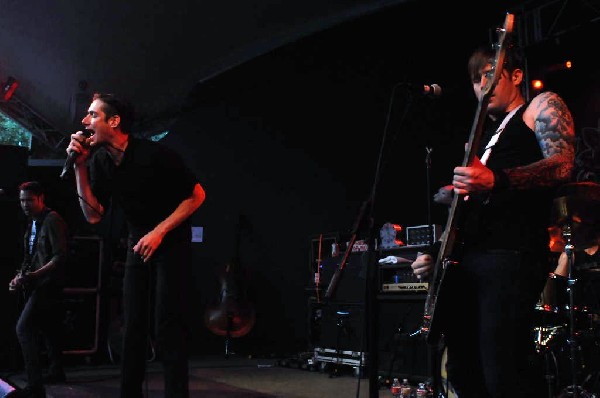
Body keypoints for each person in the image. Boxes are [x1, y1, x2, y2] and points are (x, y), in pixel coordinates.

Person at [410, 42, 576, 398]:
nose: (480, 86)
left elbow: (562, 164)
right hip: (467, 261)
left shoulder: (540, 105)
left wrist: (496, 180)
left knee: (504, 371)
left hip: (509, 257)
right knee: (461, 369)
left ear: (515, 76)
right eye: (474, 80)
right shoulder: (484, 136)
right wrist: (437, 254)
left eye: (488, 75)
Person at [65, 92, 206, 398]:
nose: (84, 121)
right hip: (137, 242)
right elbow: (93, 216)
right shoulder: (101, 161)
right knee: (132, 326)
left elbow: (197, 195)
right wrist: (79, 168)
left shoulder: (156, 155)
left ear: (114, 121)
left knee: (167, 325)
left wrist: (159, 231)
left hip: (170, 240)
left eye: (93, 115)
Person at [7, 181, 69, 398]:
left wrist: (34, 275)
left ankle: (36, 386)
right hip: (38, 283)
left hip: (48, 284)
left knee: (23, 328)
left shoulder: (52, 220)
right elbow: (30, 257)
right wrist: (19, 277)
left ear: (41, 198)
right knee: (48, 328)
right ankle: (56, 371)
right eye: (22, 200)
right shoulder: (32, 222)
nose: (25, 204)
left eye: (29, 200)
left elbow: (59, 256)